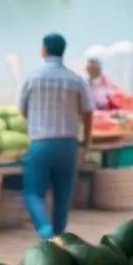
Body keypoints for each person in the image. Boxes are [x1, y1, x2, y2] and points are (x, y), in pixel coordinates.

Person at [19, 33, 94, 239]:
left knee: (32, 193)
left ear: (43, 50)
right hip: (68, 145)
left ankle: (45, 230)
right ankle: (60, 237)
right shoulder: (76, 80)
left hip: (40, 143)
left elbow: (22, 109)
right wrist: (86, 140)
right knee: (63, 196)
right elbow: (88, 112)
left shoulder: (32, 78)